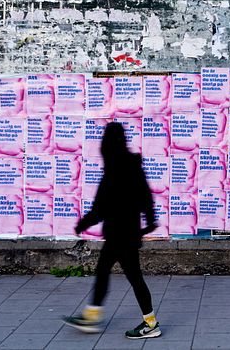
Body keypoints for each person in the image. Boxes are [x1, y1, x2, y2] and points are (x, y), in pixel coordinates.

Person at [63, 122, 160, 339]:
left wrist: (82, 224)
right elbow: (146, 196)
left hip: (118, 234)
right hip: (129, 233)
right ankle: (96, 316)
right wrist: (150, 221)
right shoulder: (133, 166)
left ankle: (149, 323)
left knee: (120, 276)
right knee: (119, 275)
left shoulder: (114, 169)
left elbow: (101, 207)